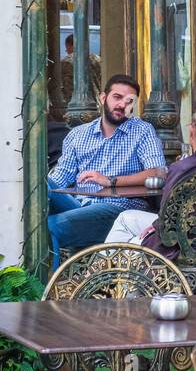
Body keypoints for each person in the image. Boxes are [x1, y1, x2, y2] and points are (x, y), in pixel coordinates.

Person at [104, 104, 196, 290]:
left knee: (124, 239)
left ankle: (111, 281)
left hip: (180, 245)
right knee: (125, 217)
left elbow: (168, 218)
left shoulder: (183, 168)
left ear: (191, 130)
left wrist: (155, 227)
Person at [47, 74, 167, 270]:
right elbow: (60, 177)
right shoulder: (78, 134)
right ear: (103, 98)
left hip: (117, 207)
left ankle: (45, 291)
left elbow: (158, 173)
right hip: (78, 203)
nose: (122, 105)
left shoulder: (142, 131)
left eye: (129, 101)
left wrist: (110, 181)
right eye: (117, 97)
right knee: (42, 186)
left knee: (49, 227)